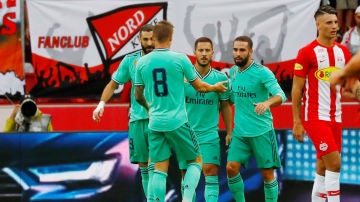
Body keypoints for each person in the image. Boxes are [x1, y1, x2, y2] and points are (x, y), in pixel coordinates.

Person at [134, 20, 227, 202]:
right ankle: (187, 198)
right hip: (178, 121)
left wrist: (149, 108)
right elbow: (200, 87)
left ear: (153, 38)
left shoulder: (142, 63)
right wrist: (215, 87)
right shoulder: (180, 59)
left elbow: (138, 96)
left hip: (155, 123)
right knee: (196, 161)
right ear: (170, 38)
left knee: (159, 169)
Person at [292, 5, 352, 202]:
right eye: (329, 22)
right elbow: (296, 89)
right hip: (315, 117)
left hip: (336, 117)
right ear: (318, 25)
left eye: (335, 22)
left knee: (323, 167)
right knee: (335, 164)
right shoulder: (306, 52)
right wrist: (297, 122)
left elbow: (353, 83)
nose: (334, 26)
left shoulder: (344, 51)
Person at [92, 24, 154, 200]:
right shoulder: (130, 60)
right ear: (140, 40)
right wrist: (101, 103)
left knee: (155, 164)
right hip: (137, 119)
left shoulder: (165, 61)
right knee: (143, 167)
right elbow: (113, 84)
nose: (149, 43)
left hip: (158, 119)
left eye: (152, 39)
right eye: (145, 39)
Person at [226, 35, 287, 202]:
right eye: (235, 50)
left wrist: (267, 103)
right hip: (240, 133)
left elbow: (281, 95)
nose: (237, 53)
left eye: (242, 50)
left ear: (250, 51)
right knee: (231, 168)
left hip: (262, 132)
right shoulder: (233, 71)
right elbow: (233, 97)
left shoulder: (263, 72)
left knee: (267, 174)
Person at [178, 37, 232, 201]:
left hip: (209, 134)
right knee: (187, 175)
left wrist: (230, 131)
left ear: (212, 53)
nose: (203, 54)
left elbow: (225, 106)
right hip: (186, 134)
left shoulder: (220, 79)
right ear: (194, 52)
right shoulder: (183, 78)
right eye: (200, 50)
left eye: (207, 50)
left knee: (210, 170)